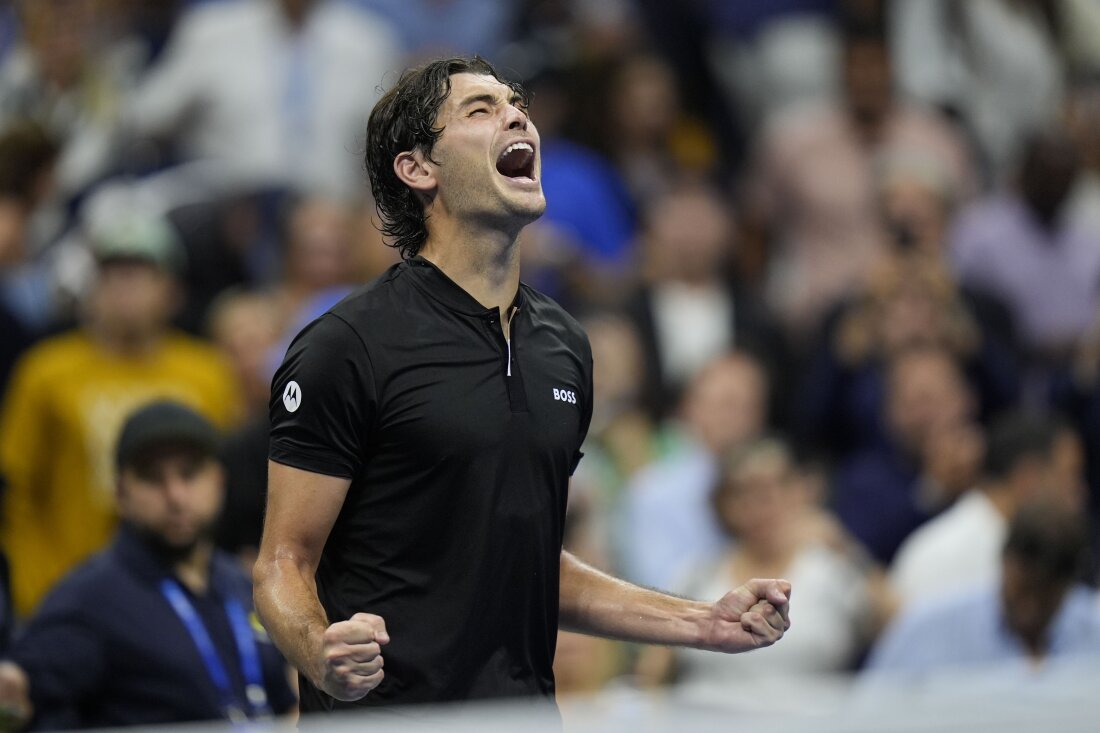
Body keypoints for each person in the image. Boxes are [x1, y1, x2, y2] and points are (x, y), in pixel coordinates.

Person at [253, 56, 792, 714]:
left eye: (516, 104)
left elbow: (532, 564)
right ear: (418, 168)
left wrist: (703, 622)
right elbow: (283, 563)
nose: (516, 116)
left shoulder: (564, 347)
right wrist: (318, 653)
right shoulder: (346, 345)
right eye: (479, 110)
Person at [0, 212, 242, 617]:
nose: (126, 289)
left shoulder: (207, 373)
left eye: (141, 274)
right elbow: (16, 493)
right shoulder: (45, 372)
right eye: (113, 274)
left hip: (184, 595)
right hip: (68, 593)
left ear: (172, 290)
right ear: (93, 288)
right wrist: (36, 588)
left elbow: (226, 481)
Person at [0, 401, 296, 729]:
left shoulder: (241, 583)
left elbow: (283, 697)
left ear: (219, 481)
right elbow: (25, 686)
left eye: (189, 474)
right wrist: (16, 690)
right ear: (121, 493)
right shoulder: (91, 599)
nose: (176, 496)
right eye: (152, 479)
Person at [865, 500, 1100, 683]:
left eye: (1046, 598)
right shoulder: (926, 631)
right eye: (1022, 591)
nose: (1031, 608)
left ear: (1069, 587)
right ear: (1004, 562)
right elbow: (869, 715)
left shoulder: (1092, 629)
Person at [890, 412, 1085, 611]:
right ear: (1029, 480)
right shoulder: (943, 557)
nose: (1080, 495)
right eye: (1070, 476)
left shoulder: (1045, 553)